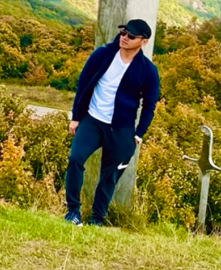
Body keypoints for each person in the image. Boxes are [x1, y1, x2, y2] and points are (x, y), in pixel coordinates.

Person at [64, 18, 160, 226]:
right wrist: (76, 116)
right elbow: (83, 84)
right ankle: (73, 211)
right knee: (75, 159)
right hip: (92, 120)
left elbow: (150, 104)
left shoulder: (148, 70)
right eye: (123, 32)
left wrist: (139, 133)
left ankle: (96, 220)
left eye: (131, 36)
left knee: (110, 176)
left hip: (122, 129)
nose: (124, 38)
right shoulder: (103, 54)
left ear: (143, 42)